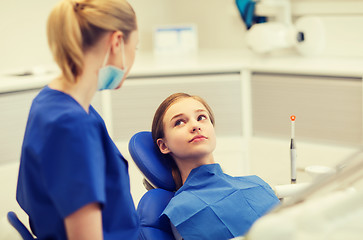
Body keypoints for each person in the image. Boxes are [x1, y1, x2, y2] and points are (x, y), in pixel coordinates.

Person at [16, 0, 139, 239]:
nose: (134, 57)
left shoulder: (49, 100)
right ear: (116, 43)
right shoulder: (72, 127)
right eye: (135, 46)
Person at [151, 93, 280, 240]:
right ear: (164, 145)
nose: (195, 126)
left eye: (201, 117)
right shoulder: (181, 211)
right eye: (179, 122)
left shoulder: (256, 183)